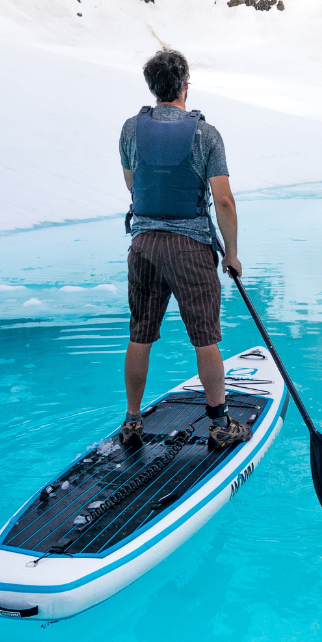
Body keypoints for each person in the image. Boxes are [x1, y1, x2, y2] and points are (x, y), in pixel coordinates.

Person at [118, 48, 250, 452]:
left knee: (140, 334)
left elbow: (131, 184)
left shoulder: (130, 129)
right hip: (190, 248)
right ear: (185, 85)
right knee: (205, 337)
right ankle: (220, 424)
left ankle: (132, 421)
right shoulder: (206, 135)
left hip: (142, 245)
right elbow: (223, 200)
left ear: (152, 87)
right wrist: (230, 252)